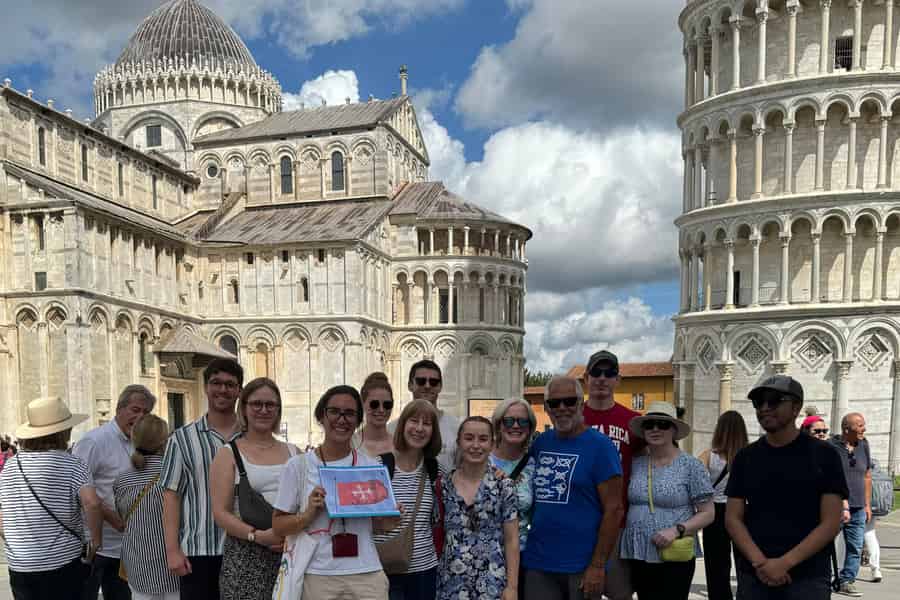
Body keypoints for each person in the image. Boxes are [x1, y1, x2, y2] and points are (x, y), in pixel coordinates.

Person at [725, 376, 848, 599]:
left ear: (796, 408)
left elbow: (830, 522)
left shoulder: (824, 455)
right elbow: (733, 518)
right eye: (758, 403)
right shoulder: (746, 457)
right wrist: (762, 563)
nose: (764, 408)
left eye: (773, 401)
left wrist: (783, 564)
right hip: (755, 575)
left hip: (807, 577)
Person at [272, 385, 393, 599]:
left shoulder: (371, 466)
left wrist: (391, 517)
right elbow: (279, 525)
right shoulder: (298, 466)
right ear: (321, 416)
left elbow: (380, 526)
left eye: (349, 413)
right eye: (334, 411)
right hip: (318, 574)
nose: (342, 419)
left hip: (366, 573)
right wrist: (308, 514)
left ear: (358, 421)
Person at [521, 376, 623, 600]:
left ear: (581, 403)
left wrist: (598, 566)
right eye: (554, 403)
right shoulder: (541, 443)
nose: (562, 408)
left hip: (581, 566)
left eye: (569, 401)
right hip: (539, 564)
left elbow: (614, 510)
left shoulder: (601, 447)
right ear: (546, 408)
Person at [0, 397, 103, 599]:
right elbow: (92, 503)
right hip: (64, 563)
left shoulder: (10, 467)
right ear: (64, 432)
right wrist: (96, 542)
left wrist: (13, 540)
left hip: (21, 567)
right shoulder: (73, 464)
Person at [161, 358, 244, 600]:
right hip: (200, 549)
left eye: (230, 384)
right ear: (206, 387)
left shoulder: (252, 438)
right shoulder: (182, 439)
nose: (223, 390)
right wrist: (172, 550)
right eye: (216, 383)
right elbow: (171, 495)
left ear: (239, 390)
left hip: (246, 549)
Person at [210, 378, 298, 600]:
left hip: (291, 554)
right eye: (256, 404)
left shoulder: (295, 452)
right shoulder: (228, 453)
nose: (264, 410)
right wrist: (257, 536)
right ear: (245, 409)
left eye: (270, 405)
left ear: (278, 410)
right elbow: (220, 513)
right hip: (246, 557)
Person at [619, 401, 714, 599]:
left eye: (662, 424)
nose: (655, 429)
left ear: (674, 430)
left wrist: (676, 530)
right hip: (638, 551)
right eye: (649, 424)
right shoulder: (636, 464)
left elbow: (708, 513)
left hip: (673, 552)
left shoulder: (691, 466)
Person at [74, 384, 156, 600]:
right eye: (135, 410)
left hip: (126, 548)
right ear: (119, 409)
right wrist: (115, 519)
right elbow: (78, 488)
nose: (140, 417)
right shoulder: (94, 441)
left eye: (146, 413)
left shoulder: (141, 445)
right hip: (93, 546)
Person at [579, 350, 642, 600]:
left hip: (618, 525)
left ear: (618, 380)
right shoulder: (574, 418)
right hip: (581, 526)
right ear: (586, 378)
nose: (602, 378)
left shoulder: (633, 422)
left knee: (620, 593)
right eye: (596, 372)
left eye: (609, 373)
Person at [438, 416, 519, 600]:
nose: (476, 445)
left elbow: (512, 539)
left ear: (492, 444)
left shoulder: (503, 485)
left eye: (483, 439)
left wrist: (512, 587)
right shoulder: (443, 485)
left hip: (492, 582)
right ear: (458, 442)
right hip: (450, 582)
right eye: (469, 438)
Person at [374, 399, 443, 600]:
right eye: (414, 421)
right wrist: (383, 519)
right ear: (403, 425)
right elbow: (361, 518)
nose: (419, 429)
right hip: (384, 568)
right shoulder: (380, 466)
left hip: (424, 570)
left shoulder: (434, 469)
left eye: (427, 424)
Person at [114, 414, 180, 600]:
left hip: (137, 562)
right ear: (164, 442)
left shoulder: (121, 480)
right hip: (171, 562)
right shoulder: (174, 476)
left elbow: (123, 516)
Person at [489, 398, 536, 599]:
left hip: (526, 557)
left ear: (530, 427)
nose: (515, 426)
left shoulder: (534, 464)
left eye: (522, 421)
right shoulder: (480, 459)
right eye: (508, 421)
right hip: (488, 556)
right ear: (499, 426)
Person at [699, 410, 749, 600]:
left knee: (716, 565)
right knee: (745, 561)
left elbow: (698, 485)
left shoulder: (708, 456)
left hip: (716, 512)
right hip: (743, 510)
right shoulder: (749, 455)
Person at [830, 412, 872, 597]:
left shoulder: (864, 445)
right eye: (860, 425)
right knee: (824, 544)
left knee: (855, 546)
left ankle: (847, 580)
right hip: (834, 506)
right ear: (847, 429)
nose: (864, 429)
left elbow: (867, 476)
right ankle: (820, 577)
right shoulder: (832, 446)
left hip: (858, 507)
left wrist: (867, 505)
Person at [390, 360, 460, 471]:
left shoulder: (456, 427)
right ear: (410, 385)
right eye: (421, 381)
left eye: (433, 382)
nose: (427, 386)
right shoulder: (392, 428)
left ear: (440, 386)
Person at [356, 372, 395, 458]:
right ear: (362, 404)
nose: (381, 410)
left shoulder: (401, 445)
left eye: (387, 405)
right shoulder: (350, 444)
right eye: (374, 404)